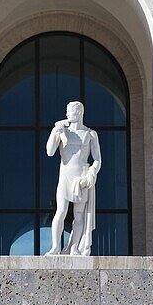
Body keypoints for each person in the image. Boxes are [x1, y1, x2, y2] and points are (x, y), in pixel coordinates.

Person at [45, 100, 101, 256]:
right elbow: (50, 151)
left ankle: (74, 247)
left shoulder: (90, 134)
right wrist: (55, 132)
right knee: (61, 211)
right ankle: (55, 247)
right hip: (65, 176)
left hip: (81, 178)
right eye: (67, 111)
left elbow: (97, 158)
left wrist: (92, 173)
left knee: (78, 215)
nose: (67, 114)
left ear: (78, 113)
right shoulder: (63, 131)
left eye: (69, 111)